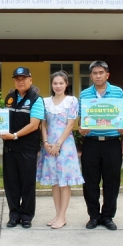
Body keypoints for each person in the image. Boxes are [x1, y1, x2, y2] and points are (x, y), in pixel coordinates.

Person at [78, 60, 123, 231]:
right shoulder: (85, 95)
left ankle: (107, 216)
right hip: (91, 143)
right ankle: (93, 216)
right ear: (91, 76)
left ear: (107, 74)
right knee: (90, 181)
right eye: (95, 73)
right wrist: (81, 129)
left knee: (112, 181)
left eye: (101, 72)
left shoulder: (118, 92)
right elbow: (81, 119)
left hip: (111, 144)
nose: (98, 75)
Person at [37, 71, 84, 229]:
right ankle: (57, 214)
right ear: (51, 85)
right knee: (55, 182)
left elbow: (71, 124)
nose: (58, 86)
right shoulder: (45, 101)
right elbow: (43, 124)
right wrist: (45, 142)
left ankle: (63, 216)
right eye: (55, 83)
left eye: (61, 83)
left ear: (66, 84)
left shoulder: (72, 101)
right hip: (49, 145)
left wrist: (58, 144)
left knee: (64, 182)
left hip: (65, 146)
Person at [0, 67, 45, 229]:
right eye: (17, 78)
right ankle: (14, 215)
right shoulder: (9, 97)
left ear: (30, 80)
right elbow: (3, 120)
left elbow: (34, 125)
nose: (20, 81)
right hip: (10, 149)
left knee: (27, 184)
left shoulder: (37, 99)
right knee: (11, 183)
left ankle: (26, 216)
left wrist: (15, 135)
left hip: (27, 149)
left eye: (24, 78)